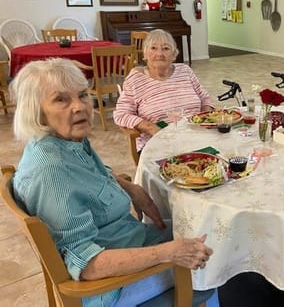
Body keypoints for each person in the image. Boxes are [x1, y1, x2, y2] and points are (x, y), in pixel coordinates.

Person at [10, 58, 214, 307]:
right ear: (36, 111)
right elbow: (88, 265)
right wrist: (170, 252)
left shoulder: (63, 143)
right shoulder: (51, 171)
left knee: (205, 227)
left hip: (125, 238)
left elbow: (88, 175)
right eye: (61, 99)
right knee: (213, 260)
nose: (79, 107)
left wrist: (129, 186)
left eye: (83, 95)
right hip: (109, 291)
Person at [114, 29, 215, 152]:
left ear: (174, 55)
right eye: (153, 48)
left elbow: (205, 98)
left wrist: (204, 118)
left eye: (166, 49)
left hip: (195, 137)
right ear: (145, 53)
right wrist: (152, 128)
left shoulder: (185, 71)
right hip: (158, 144)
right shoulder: (136, 78)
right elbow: (121, 114)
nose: (159, 54)